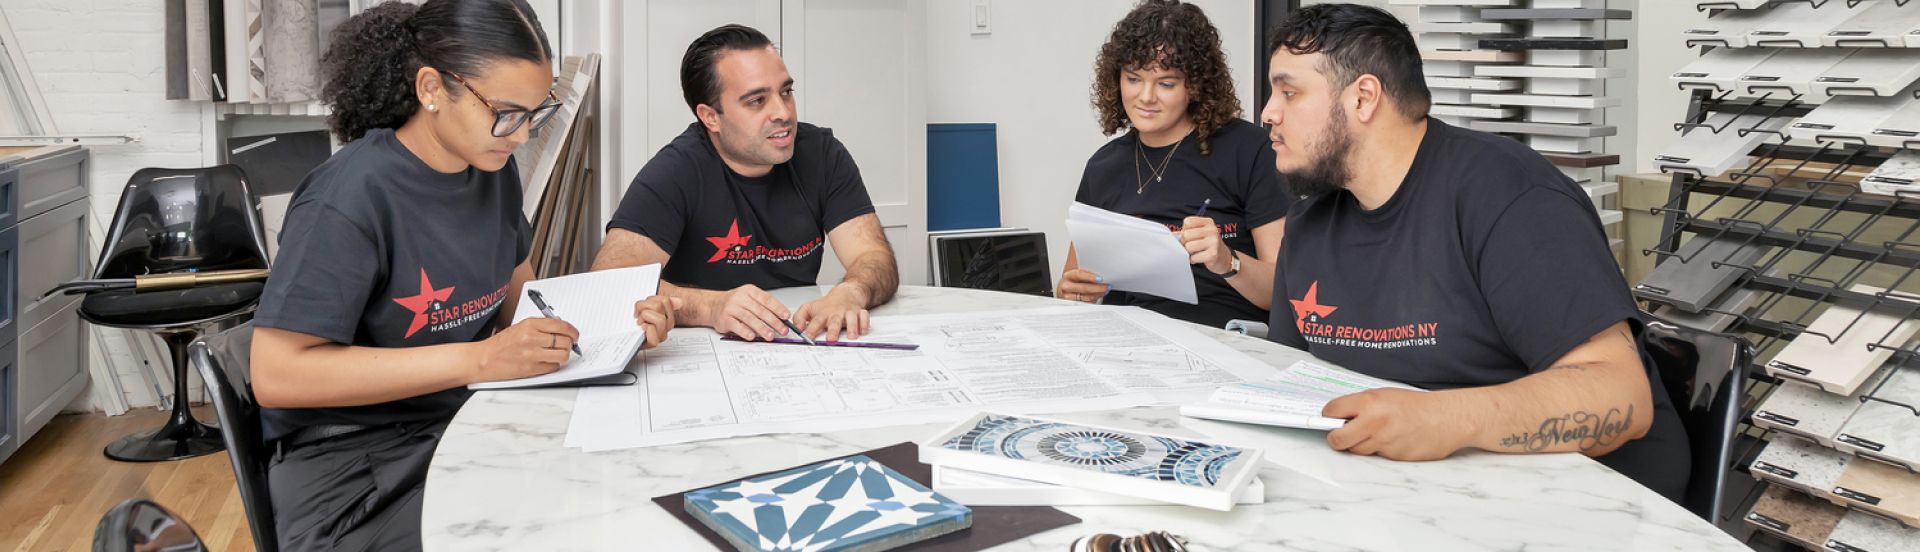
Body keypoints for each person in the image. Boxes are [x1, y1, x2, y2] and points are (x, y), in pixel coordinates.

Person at [248, 2, 677, 549]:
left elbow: (526, 306)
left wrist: (620, 323)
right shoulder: (348, 197)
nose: (520, 136)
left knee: (620, 497)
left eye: (533, 114)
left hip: (457, 429)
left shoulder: (490, 173)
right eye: (505, 112)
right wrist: (477, 360)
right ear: (431, 88)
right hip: (353, 474)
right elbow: (277, 373)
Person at [1259, 4, 1689, 501]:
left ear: (1364, 98)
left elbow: (1620, 398)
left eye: (1289, 92)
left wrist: (1442, 418)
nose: (1269, 112)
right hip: (1410, 492)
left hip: (1591, 503)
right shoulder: (1312, 216)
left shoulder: (1511, 197)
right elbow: (1289, 384)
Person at [594, 24, 899, 343]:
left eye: (786, 92)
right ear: (710, 117)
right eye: (757, 101)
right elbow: (610, 282)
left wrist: (852, 292)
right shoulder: (675, 171)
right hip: (703, 350)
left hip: (795, 341)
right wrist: (711, 307)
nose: (783, 112)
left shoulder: (823, 155)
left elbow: (875, 258)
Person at [1056, 0, 1293, 329]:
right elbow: (1071, 285)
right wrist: (1074, 293)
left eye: (1166, 84)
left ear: (1195, 86)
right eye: (1133, 78)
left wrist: (1227, 261)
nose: (1146, 97)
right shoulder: (1103, 166)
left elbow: (1284, 292)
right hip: (1125, 338)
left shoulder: (1250, 150)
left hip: (1223, 337)